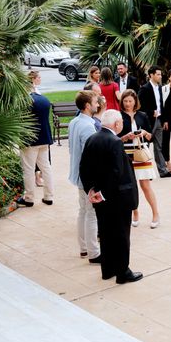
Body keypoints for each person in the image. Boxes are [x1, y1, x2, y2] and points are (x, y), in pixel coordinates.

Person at [80, 110, 142, 284]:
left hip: (100, 198)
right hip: (116, 198)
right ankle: (123, 272)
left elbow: (84, 167)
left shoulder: (93, 138)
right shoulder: (114, 141)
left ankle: (107, 269)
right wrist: (103, 193)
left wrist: (91, 190)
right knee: (121, 235)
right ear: (116, 124)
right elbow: (116, 172)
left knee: (106, 234)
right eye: (121, 122)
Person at [118, 90, 160, 228]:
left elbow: (151, 137)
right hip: (126, 153)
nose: (128, 104)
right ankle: (135, 213)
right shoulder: (118, 116)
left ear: (135, 101)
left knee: (145, 185)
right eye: (125, 101)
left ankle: (155, 214)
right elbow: (115, 138)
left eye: (130, 101)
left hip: (141, 152)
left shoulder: (142, 115)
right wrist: (126, 137)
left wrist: (144, 133)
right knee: (130, 186)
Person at [67, 90, 101, 261]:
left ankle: (84, 248)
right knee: (91, 214)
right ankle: (94, 253)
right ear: (87, 106)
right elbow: (92, 155)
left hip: (77, 175)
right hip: (87, 178)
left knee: (83, 211)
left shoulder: (74, 122)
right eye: (95, 102)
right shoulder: (88, 126)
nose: (98, 104)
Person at [17, 81, 54, 207]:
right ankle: (49, 196)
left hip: (30, 140)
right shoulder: (44, 100)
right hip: (44, 138)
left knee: (28, 169)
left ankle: (29, 198)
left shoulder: (25, 101)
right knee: (46, 168)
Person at [138, 65, 171, 178]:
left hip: (159, 120)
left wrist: (165, 120)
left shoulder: (160, 87)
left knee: (159, 146)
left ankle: (162, 171)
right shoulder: (144, 88)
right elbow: (140, 106)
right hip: (148, 121)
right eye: (158, 74)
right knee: (145, 146)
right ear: (151, 75)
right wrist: (150, 112)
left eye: (160, 74)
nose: (160, 76)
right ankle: (145, 172)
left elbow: (161, 105)